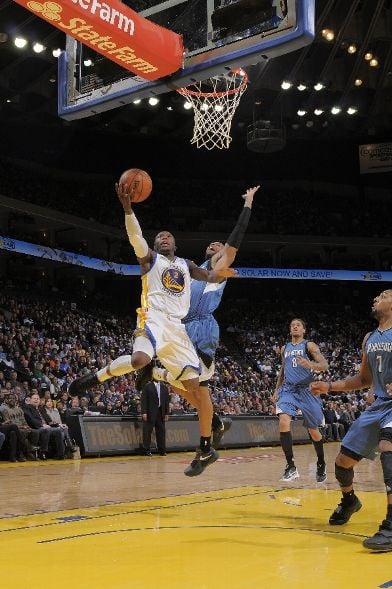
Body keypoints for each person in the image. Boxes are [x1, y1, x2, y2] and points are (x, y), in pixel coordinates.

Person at [68, 182, 237, 476]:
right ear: (156, 244)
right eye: (159, 236)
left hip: (179, 331)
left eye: (168, 236)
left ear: (176, 243)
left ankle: (206, 448)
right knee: (138, 360)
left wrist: (219, 273)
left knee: (197, 391)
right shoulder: (150, 260)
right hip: (152, 317)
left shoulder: (186, 264)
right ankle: (93, 378)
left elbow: (207, 274)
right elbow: (135, 236)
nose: (164, 238)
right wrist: (128, 208)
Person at [138, 186, 260, 449]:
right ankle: (214, 420)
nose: (214, 245)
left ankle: (209, 434)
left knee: (197, 386)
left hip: (202, 327)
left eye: (219, 244)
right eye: (211, 244)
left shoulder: (217, 269)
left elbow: (235, 240)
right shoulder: (190, 269)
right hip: (180, 329)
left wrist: (247, 204)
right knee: (184, 384)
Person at [310, 289, 392, 552]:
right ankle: (349, 500)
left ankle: (391, 526)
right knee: (343, 462)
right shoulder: (369, 338)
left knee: (388, 451)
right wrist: (330, 386)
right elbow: (364, 380)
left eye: (382, 295)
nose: (375, 299)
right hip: (378, 405)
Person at [273, 318, 329, 482]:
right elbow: (283, 369)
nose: (294, 327)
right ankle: (291, 466)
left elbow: (324, 365)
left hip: (307, 390)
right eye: (292, 325)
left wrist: (310, 365)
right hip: (288, 390)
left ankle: (321, 462)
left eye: (298, 325)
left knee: (313, 431)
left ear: (304, 330)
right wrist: (277, 389)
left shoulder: (309, 345)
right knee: (283, 421)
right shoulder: (285, 348)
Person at [140, 379, 170, 456]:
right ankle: (146, 450)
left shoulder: (164, 387)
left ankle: (162, 450)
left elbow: (166, 401)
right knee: (147, 432)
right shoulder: (147, 386)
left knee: (161, 432)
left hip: (161, 412)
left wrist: (166, 413)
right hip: (150, 412)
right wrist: (144, 412)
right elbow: (143, 400)